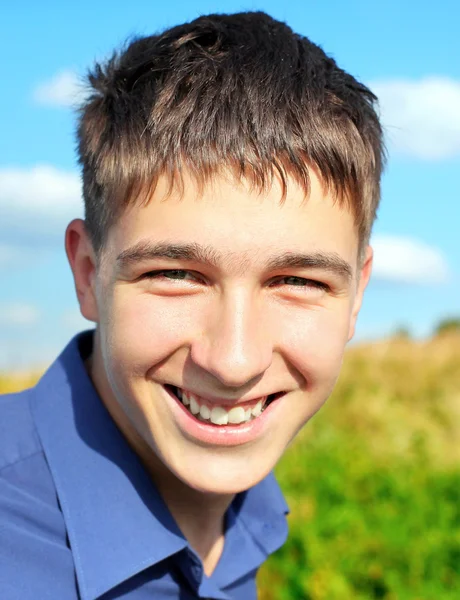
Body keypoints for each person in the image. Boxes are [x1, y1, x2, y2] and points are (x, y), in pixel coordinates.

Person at [0, 11, 384, 600]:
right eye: (176, 274)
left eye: (298, 282)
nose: (233, 361)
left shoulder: (248, 524)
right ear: (87, 274)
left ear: (356, 294)